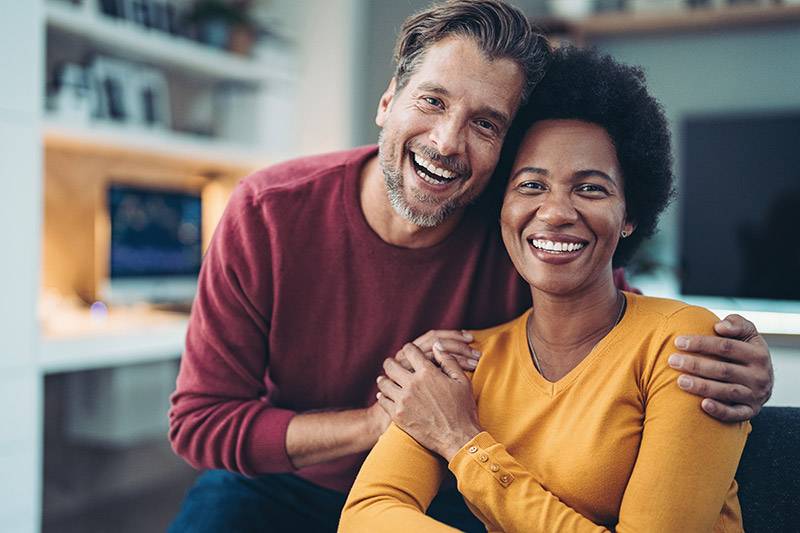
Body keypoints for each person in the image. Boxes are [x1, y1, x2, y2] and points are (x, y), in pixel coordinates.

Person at [168, 2, 773, 531]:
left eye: (485, 123)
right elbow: (200, 423)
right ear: (387, 101)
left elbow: (608, 318)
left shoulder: (515, 222)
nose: (447, 142)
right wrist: (385, 420)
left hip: (453, 491)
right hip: (283, 482)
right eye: (432, 101)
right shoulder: (268, 211)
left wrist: (732, 363)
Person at [340, 47, 754, 532]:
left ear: (630, 216)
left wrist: (463, 442)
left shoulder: (683, 345)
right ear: (502, 207)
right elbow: (367, 514)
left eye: (591, 188)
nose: (556, 211)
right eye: (531, 186)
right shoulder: (467, 360)